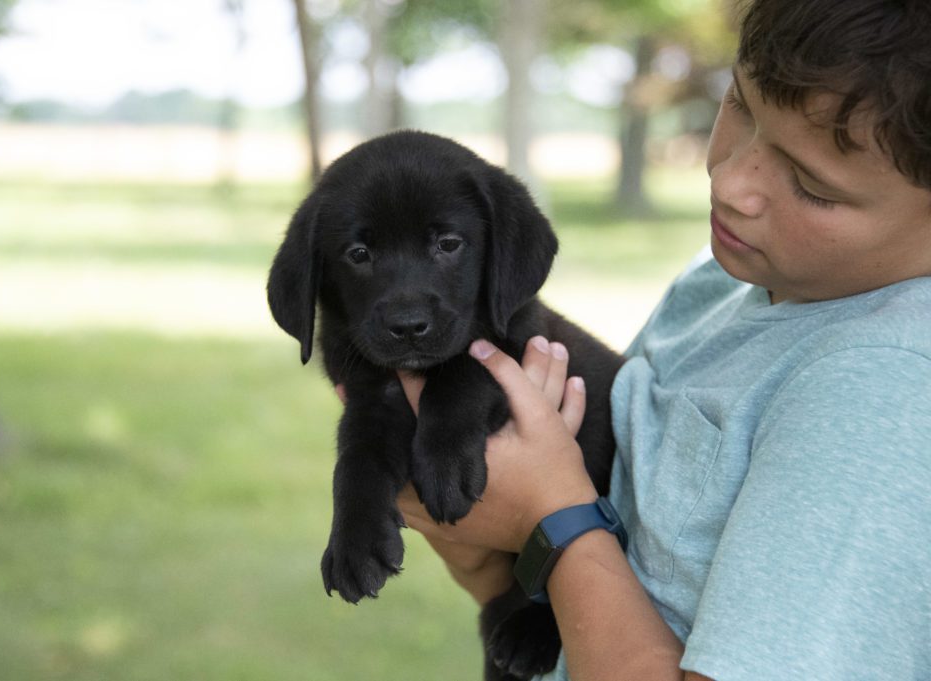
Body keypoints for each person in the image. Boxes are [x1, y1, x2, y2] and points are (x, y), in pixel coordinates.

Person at [394, 0, 931, 679]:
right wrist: (485, 528)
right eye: (740, 106)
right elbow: (550, 594)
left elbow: (559, 525)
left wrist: (555, 514)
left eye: (810, 184)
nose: (732, 181)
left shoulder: (885, 386)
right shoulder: (719, 286)